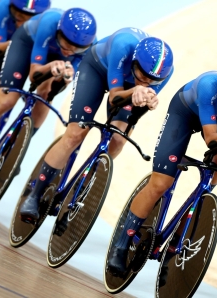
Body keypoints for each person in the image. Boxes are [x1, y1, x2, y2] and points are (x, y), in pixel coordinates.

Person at [106, 57, 217, 278]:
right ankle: (121, 243)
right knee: (161, 183)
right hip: (184, 113)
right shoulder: (209, 87)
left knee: (216, 171)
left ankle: (176, 241)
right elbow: (212, 138)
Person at [18, 27, 175, 224]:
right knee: (75, 134)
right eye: (141, 74)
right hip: (97, 68)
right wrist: (137, 89)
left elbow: (137, 107)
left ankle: (80, 190)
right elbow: (114, 97)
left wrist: (148, 101)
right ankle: (35, 194)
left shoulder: (164, 73)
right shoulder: (122, 46)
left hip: (128, 88)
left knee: (118, 140)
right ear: (133, 61)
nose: (145, 81)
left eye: (152, 80)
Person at [0, 7, 97, 174]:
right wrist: (51, 66)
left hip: (56, 58)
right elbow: (34, 74)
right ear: (59, 32)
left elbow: (60, 84)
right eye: (67, 43)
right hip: (26, 44)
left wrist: (63, 79)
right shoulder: (49, 23)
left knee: (46, 96)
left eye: (78, 48)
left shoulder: (89, 47)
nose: (71, 50)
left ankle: (17, 147)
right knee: (6, 101)